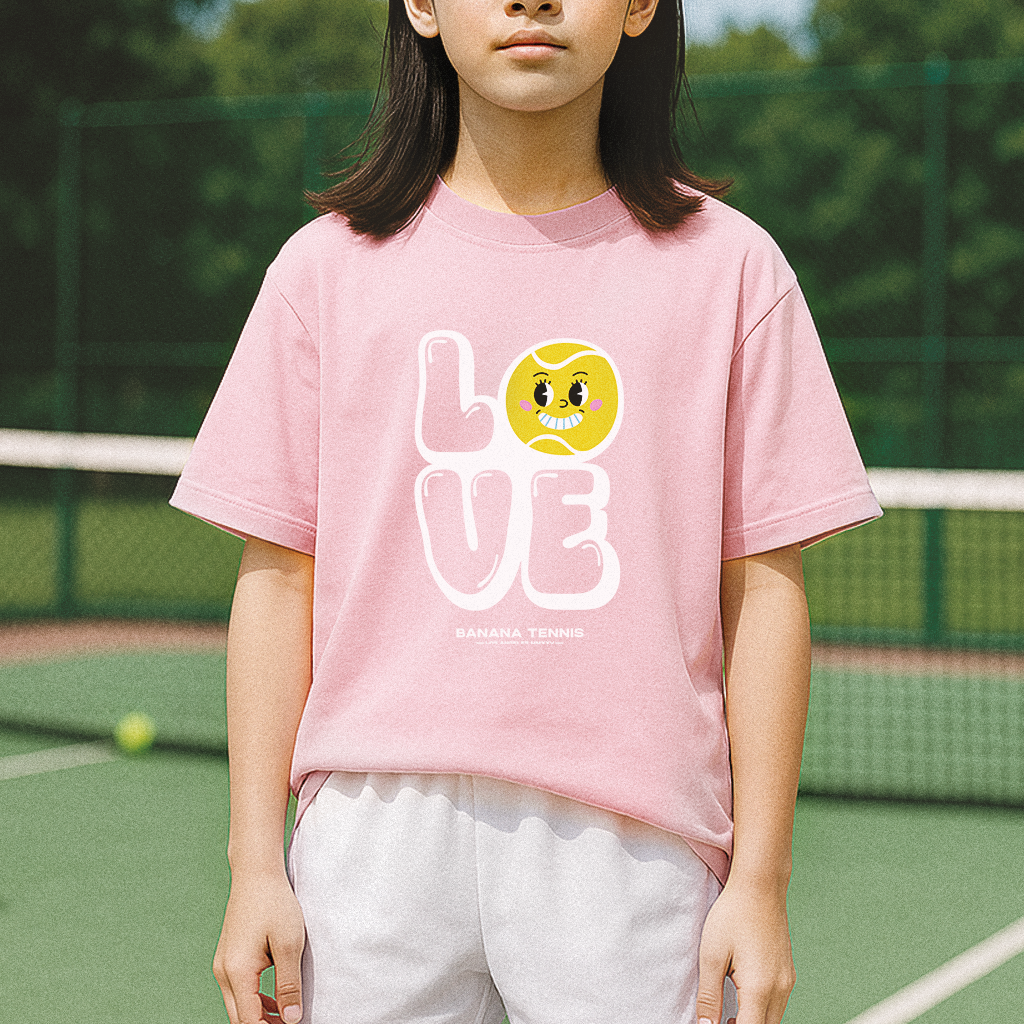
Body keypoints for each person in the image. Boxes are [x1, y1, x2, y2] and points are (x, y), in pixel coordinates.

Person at [171, 1, 882, 1022]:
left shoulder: (734, 272)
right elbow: (279, 581)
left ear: (640, 7)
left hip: (631, 847)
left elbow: (763, 593)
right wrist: (254, 865)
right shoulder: (319, 273)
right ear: (419, 4)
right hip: (372, 841)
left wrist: (758, 884)